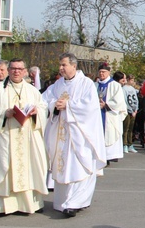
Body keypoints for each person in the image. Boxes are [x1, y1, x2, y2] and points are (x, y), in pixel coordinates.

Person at [0, 59, 48, 219]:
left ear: (25, 71)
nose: (16, 72)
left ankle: (29, 205)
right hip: (4, 138)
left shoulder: (32, 91)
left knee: (28, 170)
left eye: (20, 69)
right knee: (3, 170)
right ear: (8, 70)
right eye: (13, 69)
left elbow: (43, 109)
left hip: (26, 139)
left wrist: (36, 112)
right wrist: (4, 113)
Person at [43, 53, 107, 218]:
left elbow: (91, 107)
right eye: (60, 65)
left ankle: (76, 202)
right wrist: (54, 106)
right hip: (61, 135)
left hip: (80, 135)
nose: (61, 68)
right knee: (63, 166)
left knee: (80, 166)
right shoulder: (58, 85)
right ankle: (63, 201)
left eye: (64, 65)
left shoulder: (85, 84)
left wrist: (68, 105)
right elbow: (44, 100)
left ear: (74, 66)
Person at [96, 65, 126, 163]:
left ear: (109, 73)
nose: (101, 74)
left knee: (109, 134)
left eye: (104, 72)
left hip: (109, 115)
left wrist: (106, 105)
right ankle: (98, 156)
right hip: (96, 114)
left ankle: (108, 157)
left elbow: (119, 102)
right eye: (100, 72)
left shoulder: (115, 85)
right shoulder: (94, 85)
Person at [122, 73, 138, 153]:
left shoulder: (133, 89)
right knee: (126, 128)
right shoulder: (124, 88)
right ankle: (124, 144)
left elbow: (136, 100)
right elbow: (125, 101)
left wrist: (136, 109)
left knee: (131, 129)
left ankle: (130, 144)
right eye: (131, 80)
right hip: (128, 111)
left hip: (133, 111)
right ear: (128, 79)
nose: (132, 81)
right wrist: (130, 111)